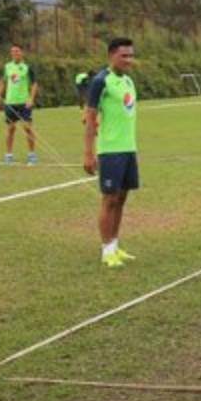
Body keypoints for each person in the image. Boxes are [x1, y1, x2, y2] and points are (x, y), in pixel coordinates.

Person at [83, 38, 139, 269]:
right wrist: (88, 153)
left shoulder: (128, 81)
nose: (128, 60)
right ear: (111, 56)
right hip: (110, 150)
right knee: (110, 199)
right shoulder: (100, 81)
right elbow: (90, 118)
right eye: (124, 56)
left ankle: (115, 245)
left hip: (128, 149)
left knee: (122, 199)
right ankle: (106, 249)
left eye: (131, 55)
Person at [0, 43, 38, 165]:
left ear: (21, 53)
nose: (15, 53)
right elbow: (2, 82)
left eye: (17, 51)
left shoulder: (27, 67)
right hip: (10, 103)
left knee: (27, 128)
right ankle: (8, 155)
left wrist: (31, 99)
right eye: (13, 52)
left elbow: (34, 84)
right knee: (10, 129)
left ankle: (32, 155)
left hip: (24, 103)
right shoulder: (7, 67)